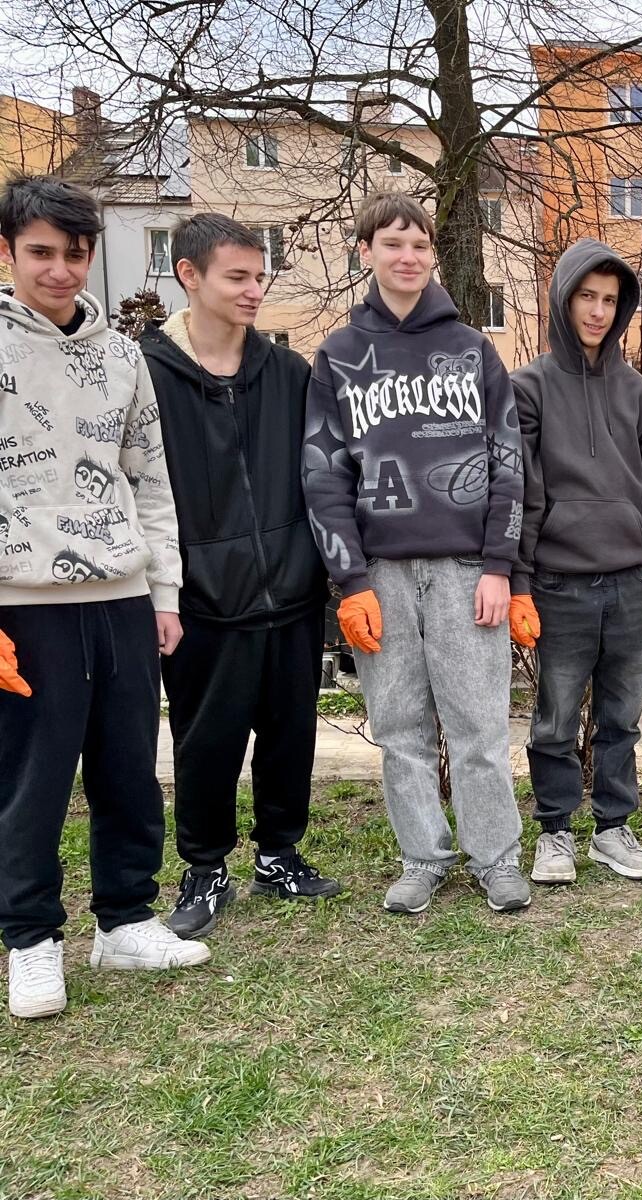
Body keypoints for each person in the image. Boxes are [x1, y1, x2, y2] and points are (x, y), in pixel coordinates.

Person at [0, 175, 209, 1021]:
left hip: (121, 594)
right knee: (30, 780)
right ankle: (30, 939)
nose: (60, 269)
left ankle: (124, 920)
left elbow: (150, 479)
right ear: (8, 252)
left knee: (128, 769)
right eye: (41, 252)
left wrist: (165, 592)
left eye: (75, 253)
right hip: (22, 603)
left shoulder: (123, 355)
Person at [303, 193, 530, 916]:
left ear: (433, 255)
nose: (407, 257)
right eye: (392, 243)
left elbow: (508, 464)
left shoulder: (472, 350)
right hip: (381, 576)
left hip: (467, 571)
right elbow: (323, 475)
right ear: (365, 252)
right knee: (399, 728)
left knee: (479, 726)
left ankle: (497, 859)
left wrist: (499, 567)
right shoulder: (339, 356)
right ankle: (422, 859)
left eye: (420, 244)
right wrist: (350, 581)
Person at [142, 214, 339, 940]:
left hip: (292, 594)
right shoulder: (146, 376)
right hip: (203, 603)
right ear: (189, 275)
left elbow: (323, 476)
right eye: (238, 277)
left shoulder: (289, 374)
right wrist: (166, 587)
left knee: (291, 736)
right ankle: (205, 868)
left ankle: (280, 855)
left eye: (260, 276)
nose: (255, 289)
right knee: (207, 743)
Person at [511, 239, 642, 886]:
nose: (597, 311)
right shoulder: (527, 387)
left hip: (631, 585)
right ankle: (555, 832)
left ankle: (613, 829)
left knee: (621, 719)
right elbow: (520, 492)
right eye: (586, 296)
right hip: (558, 585)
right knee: (556, 719)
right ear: (563, 298)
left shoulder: (638, 393)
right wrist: (520, 582)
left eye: (610, 300)